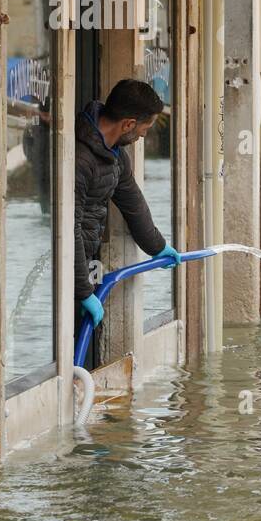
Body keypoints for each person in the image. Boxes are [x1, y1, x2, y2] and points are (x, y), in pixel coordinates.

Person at [75, 79, 181, 362]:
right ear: (128, 124)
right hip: (68, 269)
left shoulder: (115, 156)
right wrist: (84, 292)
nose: (143, 137)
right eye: (143, 130)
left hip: (86, 261)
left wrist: (158, 246)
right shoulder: (79, 159)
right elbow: (67, 230)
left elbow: (132, 201)